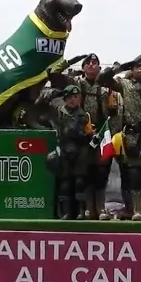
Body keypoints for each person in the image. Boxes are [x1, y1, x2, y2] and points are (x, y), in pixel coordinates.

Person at [46, 53, 118, 219]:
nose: (92, 65)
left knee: (101, 175)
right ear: (83, 67)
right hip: (78, 140)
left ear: (99, 67)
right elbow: (53, 74)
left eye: (95, 63)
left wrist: (111, 135)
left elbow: (115, 113)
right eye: (88, 63)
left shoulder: (107, 87)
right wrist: (71, 61)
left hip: (100, 135)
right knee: (82, 177)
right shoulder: (75, 83)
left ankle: (99, 209)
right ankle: (85, 210)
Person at [97, 55, 141, 221]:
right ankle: (137, 210)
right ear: (133, 70)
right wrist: (122, 67)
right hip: (133, 138)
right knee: (135, 175)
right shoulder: (125, 85)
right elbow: (102, 79)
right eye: (137, 66)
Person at [42, 84, 95, 219]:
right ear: (65, 99)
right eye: (70, 97)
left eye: (76, 97)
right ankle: (65, 212)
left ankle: (81, 211)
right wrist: (54, 92)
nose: (73, 100)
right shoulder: (58, 112)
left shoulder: (84, 115)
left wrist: (87, 135)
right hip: (65, 150)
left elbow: (89, 134)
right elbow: (44, 103)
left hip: (80, 151)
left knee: (79, 182)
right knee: (65, 183)